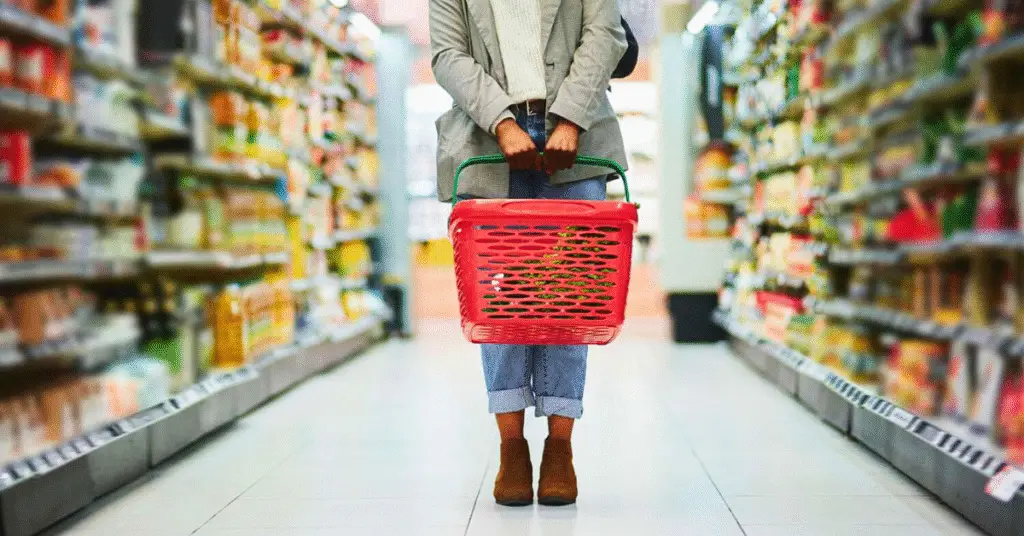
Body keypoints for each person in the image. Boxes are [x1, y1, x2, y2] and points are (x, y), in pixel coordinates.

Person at [429, 0, 628, 507]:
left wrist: (570, 118)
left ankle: (560, 446)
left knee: (569, 299)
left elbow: (605, 35)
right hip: (485, 135)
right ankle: (511, 445)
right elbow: (448, 54)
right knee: (501, 303)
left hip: (576, 139)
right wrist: (501, 122)